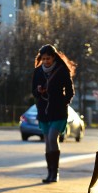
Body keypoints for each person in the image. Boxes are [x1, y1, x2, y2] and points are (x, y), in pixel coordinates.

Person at [31, 44, 76, 183]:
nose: (45, 61)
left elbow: (70, 91)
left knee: (52, 139)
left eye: (48, 58)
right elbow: (33, 91)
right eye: (43, 59)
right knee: (47, 142)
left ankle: (55, 173)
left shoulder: (62, 70)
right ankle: (49, 173)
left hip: (58, 112)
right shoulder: (38, 71)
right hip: (43, 112)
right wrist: (39, 91)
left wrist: (63, 102)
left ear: (54, 57)